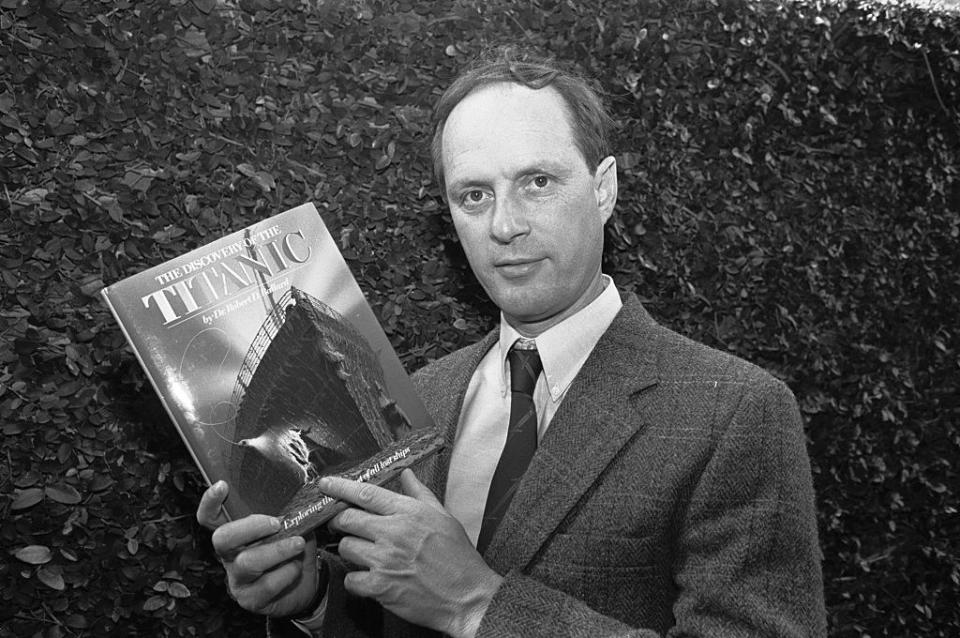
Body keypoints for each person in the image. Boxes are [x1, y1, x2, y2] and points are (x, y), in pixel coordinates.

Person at [197, 50, 827, 637]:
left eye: (538, 182)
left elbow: (458, 597)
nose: (504, 225)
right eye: (474, 195)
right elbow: (399, 610)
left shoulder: (735, 413)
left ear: (603, 188)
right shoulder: (420, 398)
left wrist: (478, 605)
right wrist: (313, 599)